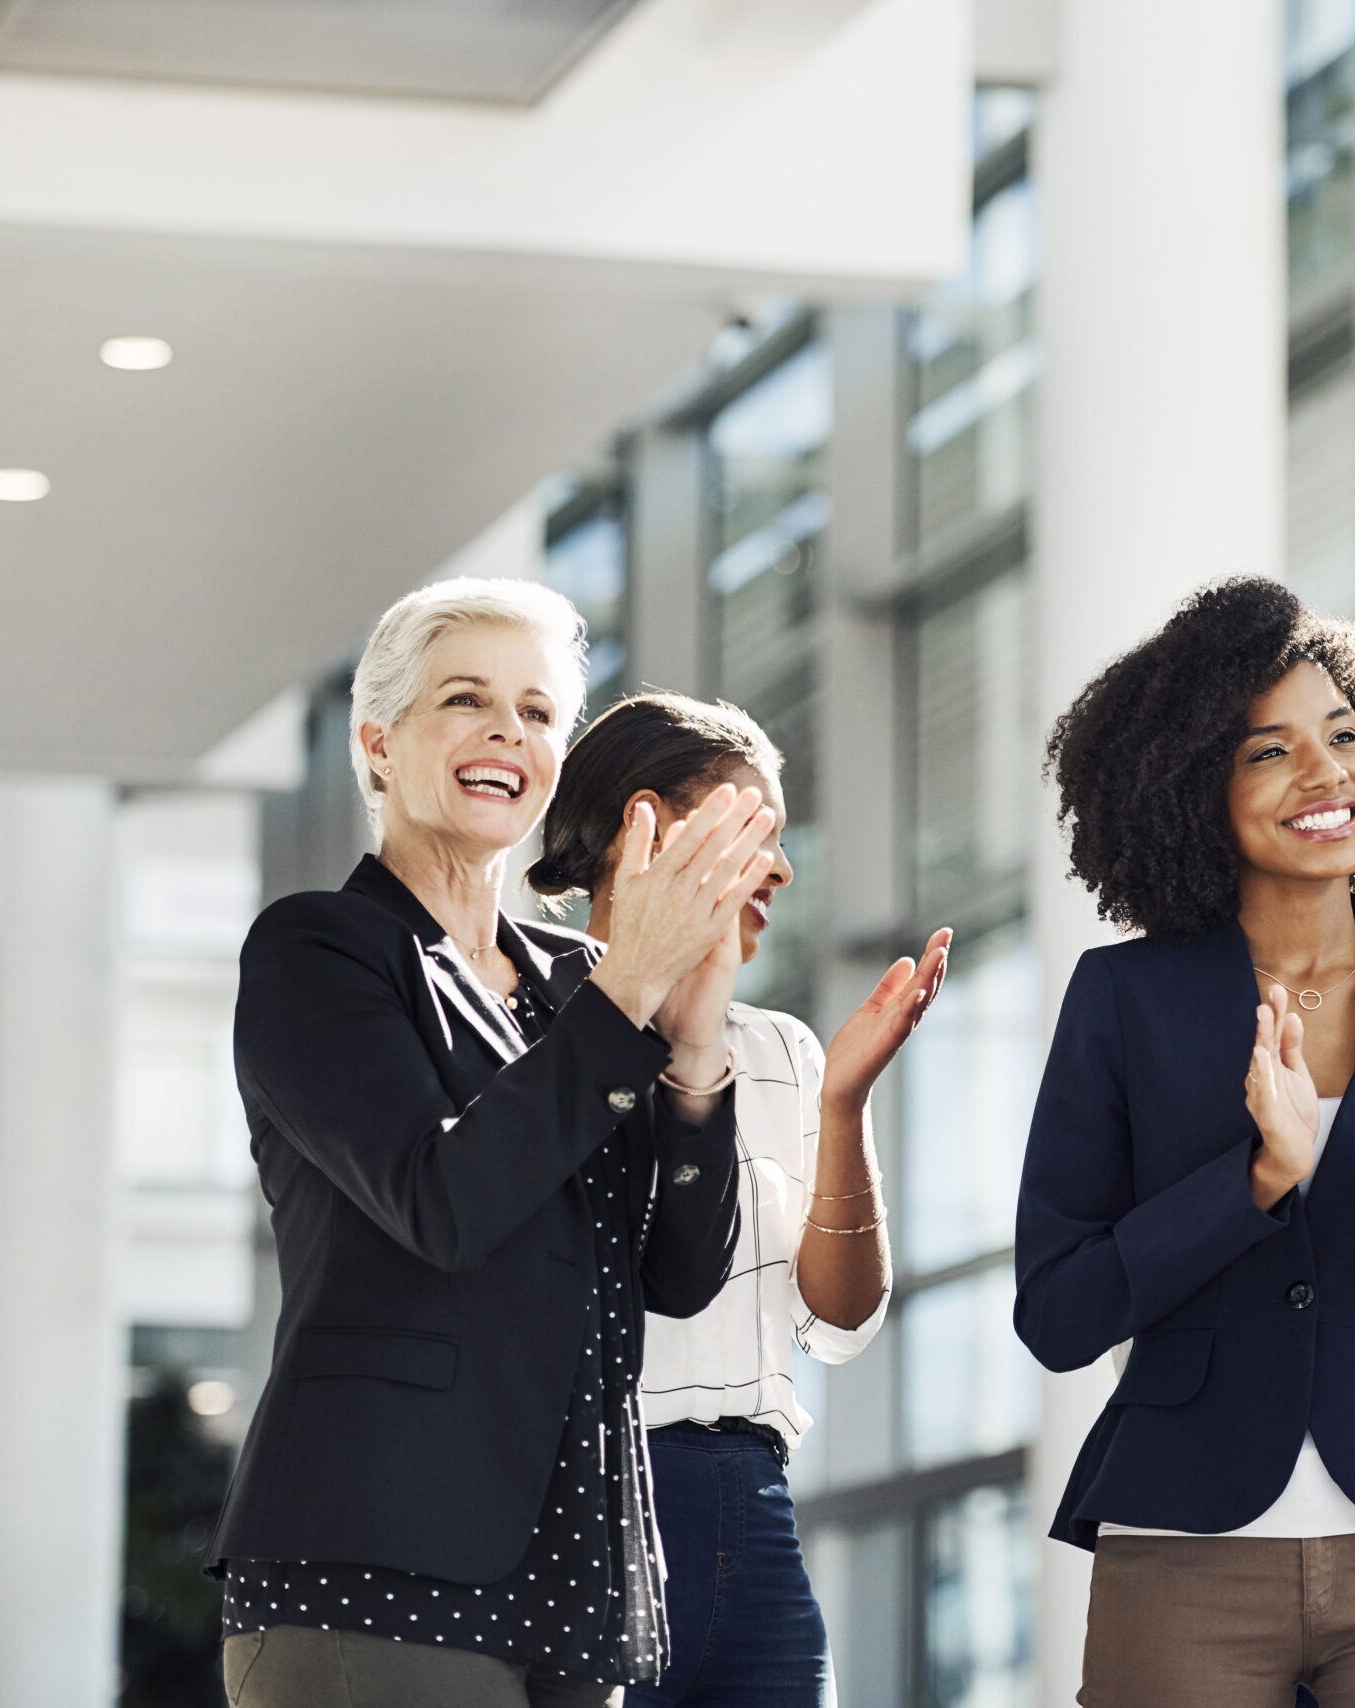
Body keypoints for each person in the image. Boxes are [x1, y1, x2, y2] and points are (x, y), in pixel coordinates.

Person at [208, 578, 779, 1708]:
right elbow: (444, 1200)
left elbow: (677, 1271)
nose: (505, 736)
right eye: (465, 700)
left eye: (535, 714)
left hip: (572, 1574)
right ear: (379, 744)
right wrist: (630, 993)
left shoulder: (578, 983)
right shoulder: (319, 953)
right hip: (374, 1563)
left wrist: (696, 1044)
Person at [1015, 577, 1355, 1708]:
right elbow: (1057, 1314)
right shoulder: (1123, 998)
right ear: (1191, 787)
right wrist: (1254, 1180)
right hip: (1183, 1549)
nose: (1325, 775)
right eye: (1268, 752)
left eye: (1345, 736)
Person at [527, 692, 949, 1708]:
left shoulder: (778, 1051)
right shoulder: (523, 1029)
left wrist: (843, 1103)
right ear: (645, 827)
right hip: (579, 1502)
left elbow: (839, 1325)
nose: (783, 869)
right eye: (755, 828)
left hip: (749, 1512)